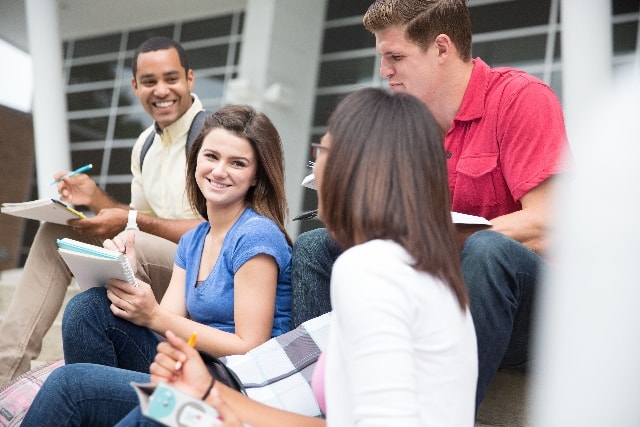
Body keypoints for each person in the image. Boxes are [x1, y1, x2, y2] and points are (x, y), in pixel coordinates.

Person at [114, 87, 477, 426]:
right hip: (240, 387)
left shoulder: (370, 268)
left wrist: (215, 398)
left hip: (241, 377)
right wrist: (210, 394)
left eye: (322, 151)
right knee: (165, 405)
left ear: (356, 171)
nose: (314, 166)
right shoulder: (415, 271)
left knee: (152, 410)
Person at [291, 0, 570, 409]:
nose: (385, 70)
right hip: (440, 289)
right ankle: (314, 405)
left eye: (396, 57)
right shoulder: (405, 126)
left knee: (487, 251)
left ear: (442, 48)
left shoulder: (521, 98)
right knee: (317, 247)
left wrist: (438, 237)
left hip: (533, 310)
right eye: (382, 57)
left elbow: (550, 223)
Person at [0, 36, 206, 385]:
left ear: (190, 79)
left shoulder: (212, 135)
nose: (161, 90)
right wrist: (94, 198)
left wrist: (131, 222)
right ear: (135, 86)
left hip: (202, 268)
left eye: (171, 79)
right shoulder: (145, 145)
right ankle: (5, 371)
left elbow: (216, 231)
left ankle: (119, 366)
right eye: (150, 81)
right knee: (57, 230)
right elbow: (138, 219)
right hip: (160, 260)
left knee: (129, 243)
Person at [60, 103, 292, 374]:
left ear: (256, 177)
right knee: (89, 309)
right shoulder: (193, 241)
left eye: (237, 163)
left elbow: (249, 346)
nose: (219, 171)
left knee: (70, 386)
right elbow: (163, 325)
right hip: (185, 366)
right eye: (211, 156)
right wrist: (128, 276)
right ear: (195, 160)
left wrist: (154, 316)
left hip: (230, 384)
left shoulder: (256, 235)